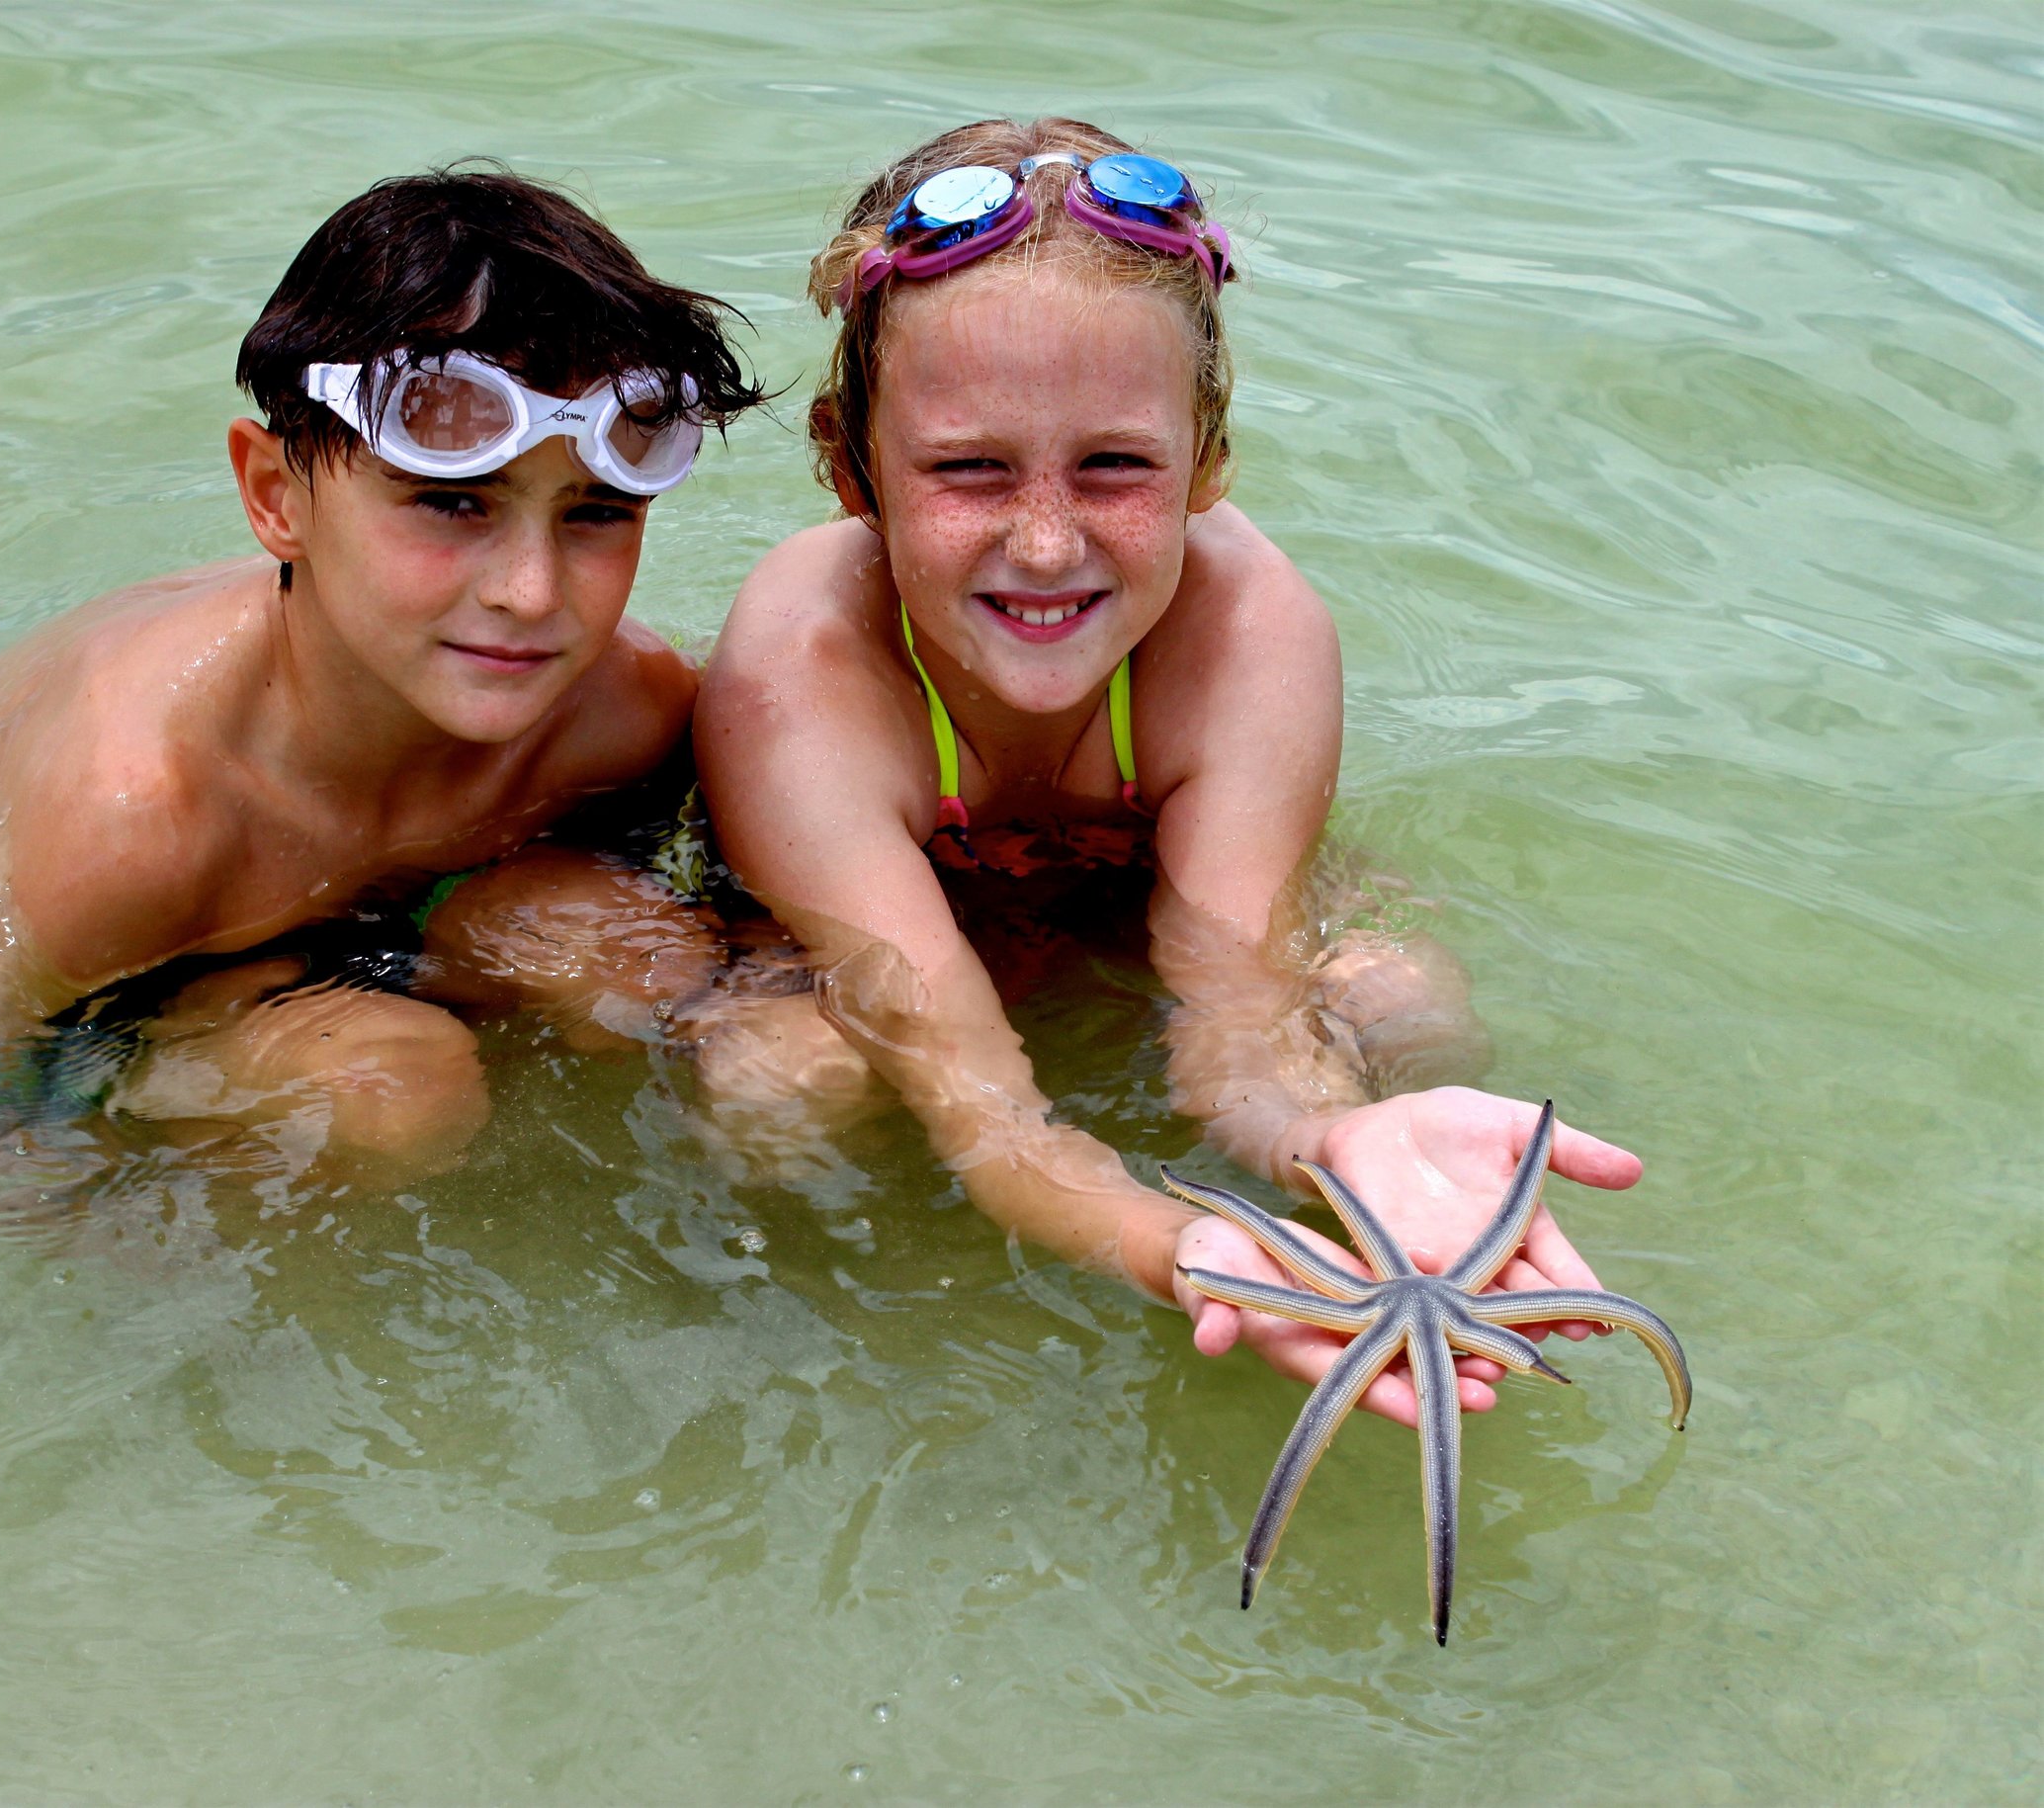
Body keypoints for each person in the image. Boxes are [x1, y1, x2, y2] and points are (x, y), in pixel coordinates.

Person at [691, 119, 1638, 1425]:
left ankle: (1414, 1222)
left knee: (1405, 996)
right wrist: (1178, 1248)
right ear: (850, 465)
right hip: (891, 940)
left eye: (1116, 466)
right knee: (778, 1085)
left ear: (1209, 456)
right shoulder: (799, 669)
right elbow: (982, 1103)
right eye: (968, 469)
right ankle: (864, 1344)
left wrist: (1326, 1142)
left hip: (1130, 895)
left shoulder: (1252, 630)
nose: (1043, 540)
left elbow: (1236, 1011)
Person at [0, 169, 758, 1177]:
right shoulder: (137, 815)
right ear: (275, 494)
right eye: (453, 505)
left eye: (594, 514)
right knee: (391, 1091)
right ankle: (157, 1080)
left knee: (645, 967)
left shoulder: (627, 714)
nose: (532, 593)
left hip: (362, 897)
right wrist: (67, 1198)